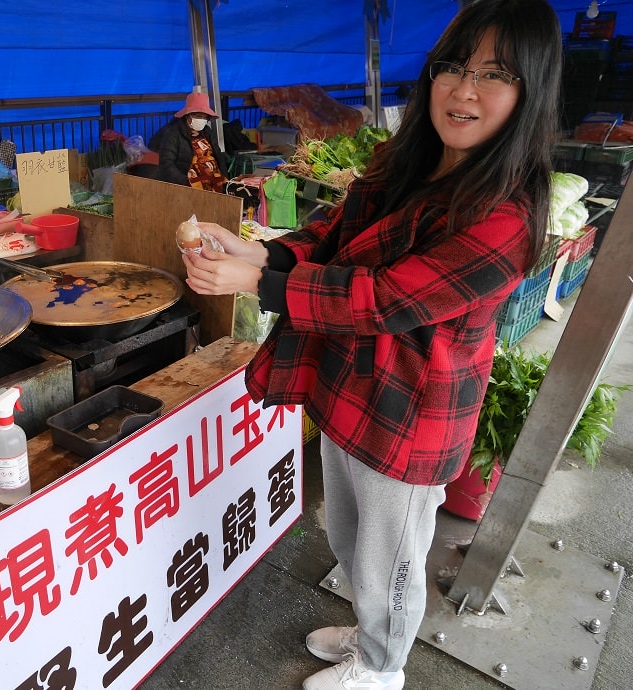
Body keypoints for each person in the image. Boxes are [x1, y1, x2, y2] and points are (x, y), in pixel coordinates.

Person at [180, 1, 562, 688]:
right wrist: (261, 252)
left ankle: (382, 669)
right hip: (350, 377)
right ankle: (368, 632)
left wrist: (256, 284)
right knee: (350, 539)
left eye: (494, 74)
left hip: (411, 407)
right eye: (453, 66)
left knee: (391, 558)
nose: (463, 90)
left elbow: (386, 297)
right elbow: (331, 242)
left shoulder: (505, 215)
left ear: (529, 92)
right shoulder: (406, 161)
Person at [157, 91, 229, 192]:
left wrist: (225, 178)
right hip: (189, 187)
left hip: (215, 184)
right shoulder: (173, 134)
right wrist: (184, 182)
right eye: (198, 116)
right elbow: (166, 164)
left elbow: (218, 156)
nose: (202, 120)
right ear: (188, 115)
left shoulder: (207, 132)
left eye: (205, 117)